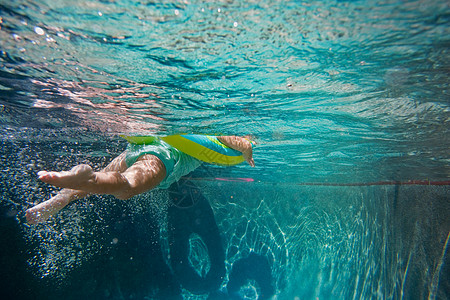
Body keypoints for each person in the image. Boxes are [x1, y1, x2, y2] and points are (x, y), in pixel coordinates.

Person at [25, 135, 255, 224]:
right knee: (126, 188)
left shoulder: (197, 131)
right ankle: (88, 176)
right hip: (162, 157)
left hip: (135, 148)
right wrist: (247, 149)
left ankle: (56, 202)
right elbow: (231, 140)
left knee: (89, 186)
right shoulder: (210, 138)